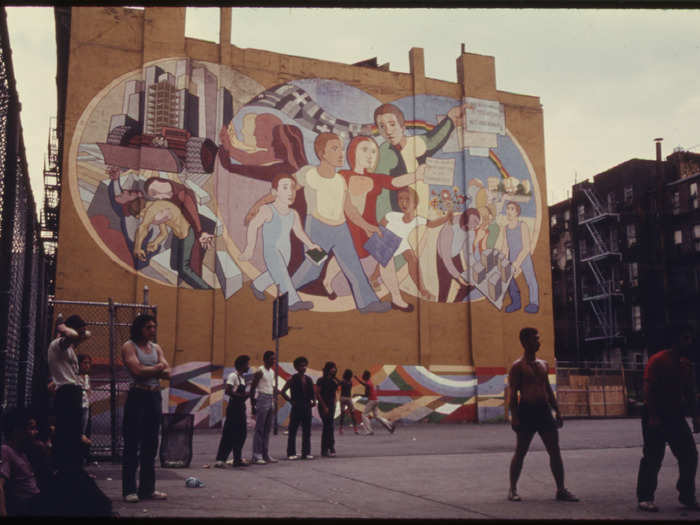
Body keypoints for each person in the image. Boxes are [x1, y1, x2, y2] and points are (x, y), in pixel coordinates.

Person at [290, 133, 391, 314]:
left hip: (341, 229)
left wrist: (368, 226)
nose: (341, 153)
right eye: (334, 148)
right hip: (318, 229)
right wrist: (263, 204)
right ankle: (286, 292)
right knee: (312, 270)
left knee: (354, 267)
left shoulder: (340, 180)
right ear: (321, 153)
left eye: (342, 149)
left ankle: (368, 303)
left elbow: (350, 210)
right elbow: (285, 189)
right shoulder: (308, 173)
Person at [322, 136, 425, 311]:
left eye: (373, 151)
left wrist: (416, 175)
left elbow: (394, 182)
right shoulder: (342, 176)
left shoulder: (375, 178)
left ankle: (397, 298)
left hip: (372, 227)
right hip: (348, 228)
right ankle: (326, 281)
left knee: (387, 259)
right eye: (364, 149)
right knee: (342, 260)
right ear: (353, 152)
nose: (370, 155)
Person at [507, 327, 577, 503]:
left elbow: (548, 390)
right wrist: (514, 417)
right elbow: (513, 394)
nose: (538, 342)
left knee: (555, 451)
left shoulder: (543, 364)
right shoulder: (517, 367)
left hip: (544, 411)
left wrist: (557, 411)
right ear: (524, 342)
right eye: (534, 339)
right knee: (521, 452)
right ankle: (512, 490)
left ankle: (561, 489)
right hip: (526, 411)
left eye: (538, 339)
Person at [636, 323, 699, 512]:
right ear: (676, 341)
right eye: (686, 338)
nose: (689, 342)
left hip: (675, 414)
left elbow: (689, 391)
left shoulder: (685, 364)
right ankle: (645, 497)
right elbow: (649, 389)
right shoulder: (658, 360)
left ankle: (686, 495)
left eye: (690, 338)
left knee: (689, 455)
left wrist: (696, 417)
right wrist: (654, 417)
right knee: (653, 457)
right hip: (655, 413)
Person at [240, 173, 321, 311]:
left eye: (293, 188)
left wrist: (311, 245)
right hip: (272, 251)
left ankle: (257, 285)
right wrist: (249, 248)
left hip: (286, 252)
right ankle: (293, 301)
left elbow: (299, 232)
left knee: (274, 274)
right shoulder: (267, 210)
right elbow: (253, 226)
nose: (290, 192)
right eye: (285, 188)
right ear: (275, 192)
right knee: (282, 274)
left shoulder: (293, 214)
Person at [121, 314, 170, 503]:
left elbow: (168, 372)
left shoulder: (156, 348)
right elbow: (137, 371)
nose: (152, 330)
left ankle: (148, 489)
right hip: (137, 395)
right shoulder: (129, 346)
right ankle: (129, 490)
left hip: (154, 395)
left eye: (154, 327)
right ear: (140, 328)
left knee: (151, 444)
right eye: (149, 327)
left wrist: (150, 369)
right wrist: (157, 368)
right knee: (132, 443)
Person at [380, 186, 452, 301]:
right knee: (380, 263)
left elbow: (431, 224)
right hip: (387, 242)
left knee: (413, 260)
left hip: (401, 242)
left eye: (407, 199)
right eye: (400, 199)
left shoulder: (417, 219)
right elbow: (379, 230)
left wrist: (446, 217)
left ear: (415, 203)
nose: (403, 202)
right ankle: (374, 278)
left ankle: (422, 290)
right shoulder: (391, 216)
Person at [48, 314, 91, 474]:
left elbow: (87, 335)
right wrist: (61, 326)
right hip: (65, 392)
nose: (81, 335)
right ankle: (63, 469)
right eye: (78, 331)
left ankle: (72, 469)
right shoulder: (59, 344)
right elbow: (73, 335)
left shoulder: (70, 347)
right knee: (66, 434)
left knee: (75, 434)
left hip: (73, 392)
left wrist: (78, 332)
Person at [0, 409, 44, 516]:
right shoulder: (5, 450)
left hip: (34, 502)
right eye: (31, 428)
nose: (36, 432)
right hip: (24, 506)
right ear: (17, 431)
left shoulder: (23, 452)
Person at [498, 201, 539, 314]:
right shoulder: (505, 228)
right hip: (511, 257)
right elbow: (505, 246)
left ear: (517, 212)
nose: (508, 211)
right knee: (507, 278)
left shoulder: (522, 225)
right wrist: (503, 260)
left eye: (511, 209)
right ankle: (516, 302)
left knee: (530, 279)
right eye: (507, 209)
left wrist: (516, 263)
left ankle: (534, 303)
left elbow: (526, 247)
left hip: (524, 256)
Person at [215, 355, 252, 468]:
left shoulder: (242, 378)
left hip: (240, 408)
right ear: (241, 365)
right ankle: (221, 459)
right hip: (233, 408)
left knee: (241, 434)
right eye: (247, 364)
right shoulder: (233, 376)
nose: (248, 366)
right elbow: (228, 391)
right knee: (229, 433)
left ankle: (237, 459)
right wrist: (241, 396)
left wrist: (245, 396)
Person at [280, 356, 316, 460]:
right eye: (301, 366)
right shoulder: (292, 378)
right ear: (296, 367)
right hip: (296, 406)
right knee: (293, 430)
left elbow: (312, 392)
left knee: (307, 431)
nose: (303, 367)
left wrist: (313, 401)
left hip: (307, 406)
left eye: (305, 365)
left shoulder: (308, 379)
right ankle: (291, 452)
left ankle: (306, 452)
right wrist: (291, 401)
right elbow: (282, 391)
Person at [250, 351, 279, 465]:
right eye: (271, 359)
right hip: (261, 398)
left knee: (267, 429)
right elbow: (252, 388)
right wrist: (253, 405)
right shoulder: (260, 371)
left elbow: (270, 386)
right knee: (259, 429)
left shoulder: (271, 372)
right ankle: (256, 455)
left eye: (274, 359)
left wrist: (274, 399)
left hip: (270, 398)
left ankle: (265, 454)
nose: (273, 361)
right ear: (265, 359)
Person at [354, 370, 395, 435]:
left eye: (363, 375)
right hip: (375, 400)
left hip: (372, 401)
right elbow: (364, 384)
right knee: (376, 416)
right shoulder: (369, 382)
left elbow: (366, 394)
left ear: (365, 376)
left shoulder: (367, 384)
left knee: (364, 415)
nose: (362, 376)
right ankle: (390, 424)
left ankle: (369, 431)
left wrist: (357, 394)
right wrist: (357, 379)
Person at [316, 362, 339, 457]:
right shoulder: (321, 380)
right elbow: (318, 393)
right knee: (327, 426)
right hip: (323, 405)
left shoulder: (334, 381)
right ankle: (324, 449)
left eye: (335, 368)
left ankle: (331, 447)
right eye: (333, 368)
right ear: (328, 369)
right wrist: (324, 406)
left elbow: (334, 394)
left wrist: (334, 404)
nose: (335, 369)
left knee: (330, 426)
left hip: (331, 405)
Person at [77, 354, 93, 464]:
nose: (87, 365)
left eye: (89, 363)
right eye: (85, 363)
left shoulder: (87, 377)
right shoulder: (74, 376)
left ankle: (82, 458)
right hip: (77, 407)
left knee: (84, 433)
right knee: (78, 433)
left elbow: (88, 390)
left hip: (86, 407)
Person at [338, 369, 358, 435]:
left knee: (342, 414)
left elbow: (338, 384)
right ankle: (355, 429)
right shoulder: (350, 382)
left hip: (342, 398)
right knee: (352, 414)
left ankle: (340, 429)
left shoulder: (343, 381)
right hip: (348, 398)